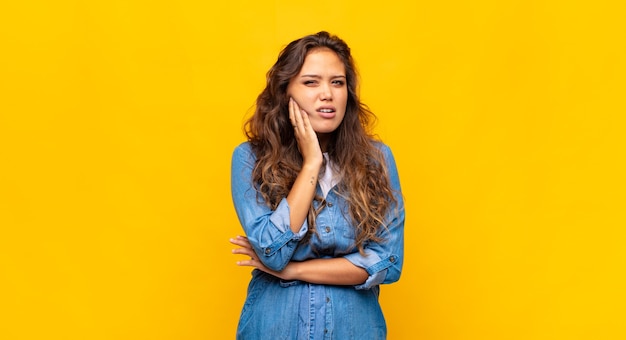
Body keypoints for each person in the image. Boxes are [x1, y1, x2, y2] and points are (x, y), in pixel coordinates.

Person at [229, 31, 405, 339]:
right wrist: (312, 163)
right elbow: (272, 251)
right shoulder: (250, 158)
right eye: (311, 82)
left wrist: (293, 271)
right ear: (285, 92)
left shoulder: (377, 159)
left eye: (337, 82)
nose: (327, 94)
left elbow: (388, 263)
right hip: (274, 329)